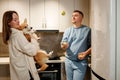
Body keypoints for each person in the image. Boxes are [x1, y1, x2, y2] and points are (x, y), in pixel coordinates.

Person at [2, 10, 40, 80]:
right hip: (26, 74)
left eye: (18, 19)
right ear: (9, 23)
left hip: (18, 73)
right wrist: (34, 39)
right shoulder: (17, 35)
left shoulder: (11, 35)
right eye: (15, 20)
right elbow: (32, 51)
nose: (18, 21)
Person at [61, 10, 91, 80]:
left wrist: (86, 53)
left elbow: (94, 46)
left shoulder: (87, 30)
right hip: (68, 61)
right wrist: (64, 45)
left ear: (81, 18)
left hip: (81, 62)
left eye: (76, 15)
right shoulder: (67, 30)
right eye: (72, 15)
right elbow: (63, 44)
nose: (73, 17)